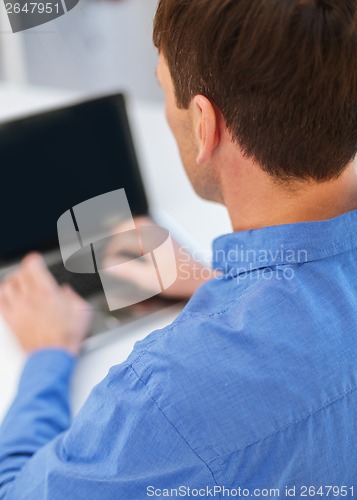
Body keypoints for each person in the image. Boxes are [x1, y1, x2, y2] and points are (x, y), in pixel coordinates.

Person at [1, 0, 357, 497]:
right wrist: (224, 287)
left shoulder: (166, 398)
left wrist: (48, 351)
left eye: (165, 89)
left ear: (204, 125)